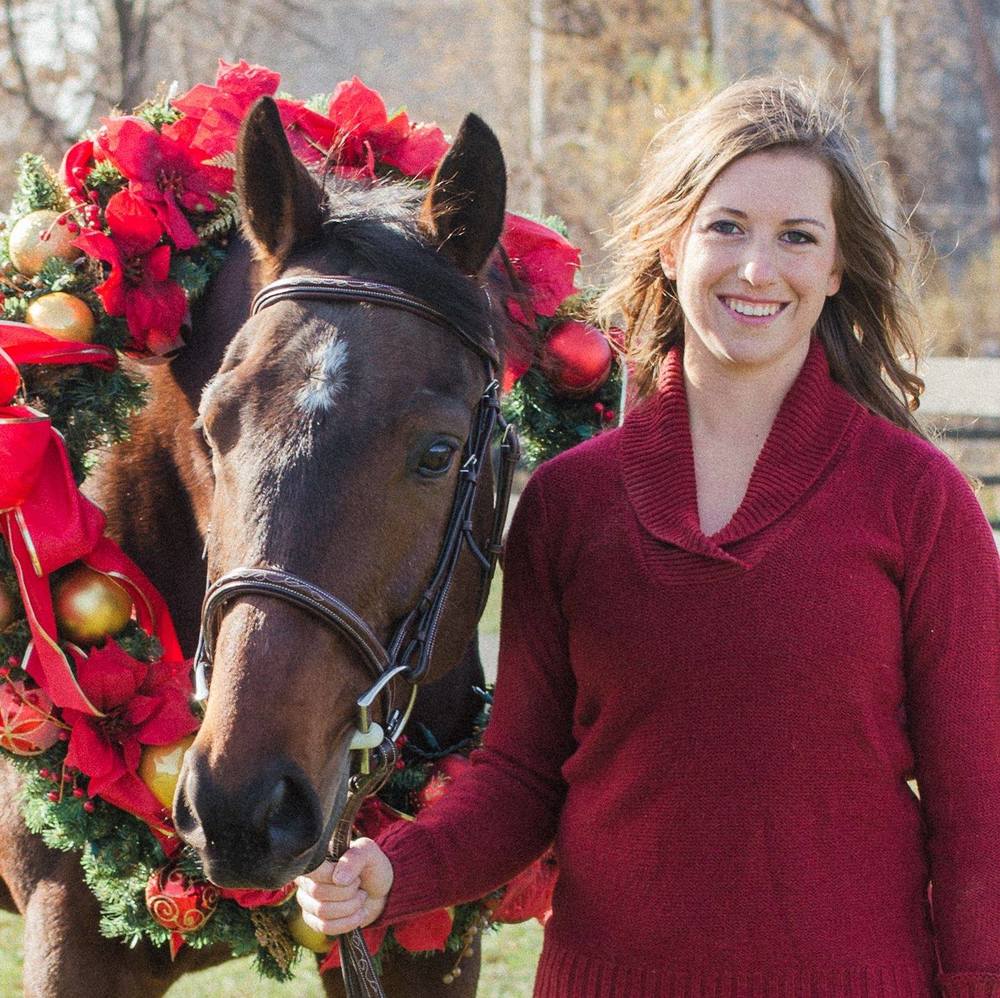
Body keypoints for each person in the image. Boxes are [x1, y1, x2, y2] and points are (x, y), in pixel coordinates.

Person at [295, 77, 1000, 996]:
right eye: (727, 226)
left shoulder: (918, 500)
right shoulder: (567, 506)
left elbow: (980, 807)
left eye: (798, 237)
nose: (758, 268)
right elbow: (522, 779)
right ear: (670, 244)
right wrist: (399, 870)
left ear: (836, 269)